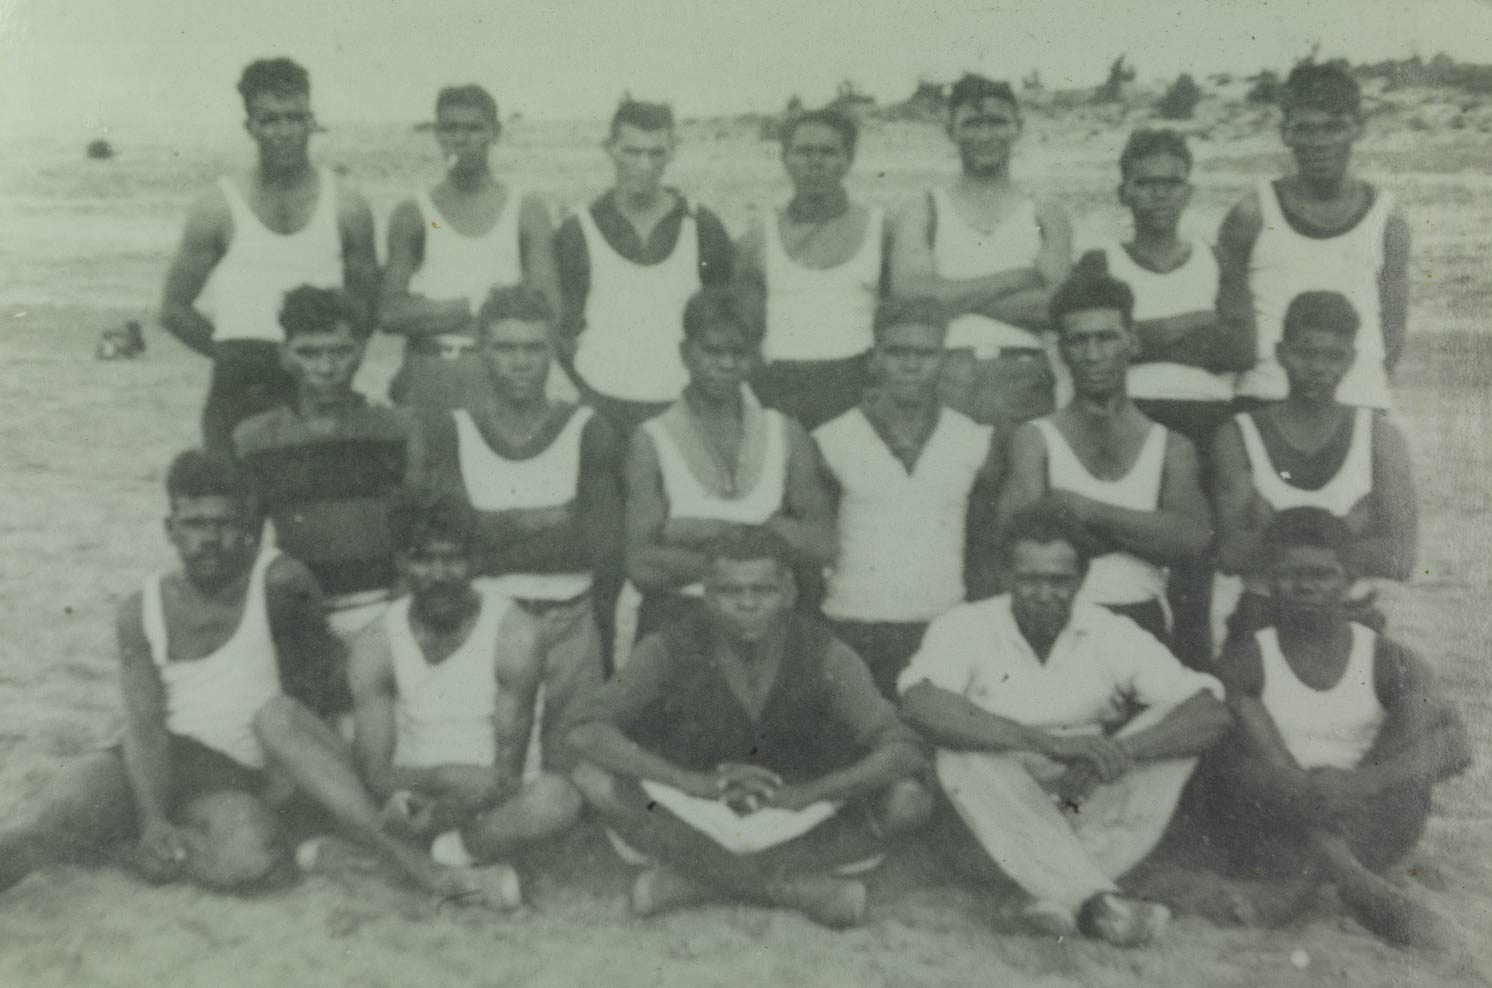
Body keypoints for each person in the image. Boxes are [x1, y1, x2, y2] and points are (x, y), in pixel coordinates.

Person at [0, 452, 496, 906]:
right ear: (170, 529)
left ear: (250, 530)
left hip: (237, 777)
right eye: (194, 524)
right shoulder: (140, 609)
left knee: (249, 863)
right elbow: (144, 724)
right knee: (42, 823)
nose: (210, 539)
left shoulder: (280, 583)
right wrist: (153, 816)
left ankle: (117, 845)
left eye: (224, 524)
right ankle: (130, 831)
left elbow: (316, 692)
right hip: (159, 758)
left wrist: (291, 783)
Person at [566, 527, 931, 929]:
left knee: (908, 799)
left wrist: (810, 793)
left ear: (789, 591)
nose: (747, 604)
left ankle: (697, 881)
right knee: (590, 776)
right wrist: (685, 780)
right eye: (730, 592)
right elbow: (586, 728)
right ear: (707, 595)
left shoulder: (826, 652)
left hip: (795, 807)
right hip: (699, 803)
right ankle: (795, 888)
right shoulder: (668, 646)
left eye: (763, 590)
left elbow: (903, 748)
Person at [899, 503, 1230, 946]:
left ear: (1081, 579)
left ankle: (1051, 895)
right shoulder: (965, 624)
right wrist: (1048, 745)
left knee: (1175, 730)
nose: (1043, 593)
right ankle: (1094, 901)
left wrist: (1123, 752)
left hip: (1081, 797)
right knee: (960, 754)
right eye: (1029, 579)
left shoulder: (1109, 630)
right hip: (1001, 804)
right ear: (1004, 576)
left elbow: (1210, 712)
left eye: (1058, 580)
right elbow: (921, 705)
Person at [1204, 508, 1469, 949]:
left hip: (1371, 813)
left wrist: (1362, 784)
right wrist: (1307, 791)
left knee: (1416, 744)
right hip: (1283, 812)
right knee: (1235, 760)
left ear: (1349, 581)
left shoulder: (1386, 658)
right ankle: (1348, 878)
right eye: (1290, 575)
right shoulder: (1247, 659)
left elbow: (1456, 745)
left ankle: (1302, 887)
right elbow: (1247, 762)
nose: (1306, 586)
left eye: (1321, 574)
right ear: (1269, 581)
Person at [348, 486, 584, 908]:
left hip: (491, 806)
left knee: (558, 798)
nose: (439, 574)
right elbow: (376, 773)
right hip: (412, 794)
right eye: (422, 558)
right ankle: (440, 863)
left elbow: (506, 779)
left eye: (453, 558)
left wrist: (444, 814)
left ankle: (440, 856)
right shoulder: (376, 641)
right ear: (400, 561)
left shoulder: (515, 634)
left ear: (475, 561)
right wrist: (436, 781)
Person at [408, 284, 621, 718]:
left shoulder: (587, 428)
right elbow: (457, 540)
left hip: (570, 625)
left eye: (534, 348)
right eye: (505, 348)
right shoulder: (454, 429)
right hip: (486, 626)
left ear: (554, 351)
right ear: (482, 350)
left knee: (573, 769)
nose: (520, 363)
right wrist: (543, 519)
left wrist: (490, 542)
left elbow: (598, 546)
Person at [159, 58, 378, 453]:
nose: (284, 132)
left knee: (314, 510)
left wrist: (332, 365)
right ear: (250, 127)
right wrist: (231, 355)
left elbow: (366, 307)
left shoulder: (347, 206)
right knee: (234, 510)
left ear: (311, 122)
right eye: (269, 120)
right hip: (240, 384)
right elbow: (174, 310)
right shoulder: (217, 207)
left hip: (318, 383)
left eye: (295, 118)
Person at [996, 257, 1211, 644]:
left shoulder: (1170, 445)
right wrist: (1146, 535)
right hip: (1058, 622)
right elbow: (1019, 539)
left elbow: (1190, 540)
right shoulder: (1036, 438)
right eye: (1079, 340)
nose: (1093, 355)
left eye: (1107, 338)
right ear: (1061, 350)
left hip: (1141, 619)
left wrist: (1083, 510)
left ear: (1132, 341)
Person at [1099, 129, 1254, 665]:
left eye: (1171, 183)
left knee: (1194, 568)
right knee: (1127, 563)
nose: (1159, 194)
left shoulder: (1215, 261)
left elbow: (1239, 346)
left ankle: (1193, 680)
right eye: (1146, 183)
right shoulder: (1103, 262)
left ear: (1188, 192)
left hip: (1206, 422)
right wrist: (1192, 324)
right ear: (1124, 192)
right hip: (1133, 420)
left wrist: (1140, 335)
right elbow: (1100, 346)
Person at [813, 296, 1003, 699]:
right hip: (850, 626)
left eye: (925, 353)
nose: (911, 365)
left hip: (944, 629)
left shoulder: (974, 441)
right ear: (874, 358)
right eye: (897, 352)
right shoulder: (831, 440)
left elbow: (984, 555)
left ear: (944, 360)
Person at [625, 287, 836, 642]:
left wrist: (703, 532)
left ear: (754, 357)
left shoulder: (784, 431)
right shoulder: (652, 439)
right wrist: (765, 540)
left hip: (770, 626)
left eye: (738, 353)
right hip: (682, 620)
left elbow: (822, 545)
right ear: (685, 352)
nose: (725, 365)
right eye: (711, 350)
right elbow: (642, 565)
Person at [1212, 290, 1417, 645]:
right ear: (1281, 353)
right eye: (1306, 352)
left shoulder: (1380, 438)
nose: (1319, 368)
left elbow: (1400, 559)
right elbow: (1230, 555)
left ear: (1351, 360)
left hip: (1353, 621)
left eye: (1333, 356)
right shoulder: (1238, 434)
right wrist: (1347, 533)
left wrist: (1277, 533)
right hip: (1262, 623)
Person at [1216, 62, 1411, 412]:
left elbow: (1393, 332)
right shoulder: (1252, 214)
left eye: (1334, 128)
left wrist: (1366, 382)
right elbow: (1228, 318)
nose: (1319, 143)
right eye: (1304, 129)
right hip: (1266, 398)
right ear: (1285, 134)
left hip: (1357, 399)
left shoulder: (1387, 218)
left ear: (1358, 129)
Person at [888, 73, 1072, 436]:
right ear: (950, 129)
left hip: (1024, 373)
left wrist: (945, 296)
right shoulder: (924, 209)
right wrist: (1015, 279)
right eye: (972, 123)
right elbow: (909, 298)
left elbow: (1054, 308)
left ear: (1018, 127)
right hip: (942, 374)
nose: (985, 136)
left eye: (997, 122)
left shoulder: (1044, 212)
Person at [233, 285, 411, 644]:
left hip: (385, 605)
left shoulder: (395, 429)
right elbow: (244, 542)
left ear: (360, 352)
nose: (326, 368)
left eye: (340, 352)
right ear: (284, 355)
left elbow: (417, 532)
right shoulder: (255, 438)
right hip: (300, 612)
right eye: (309, 353)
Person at [554, 100, 735, 434]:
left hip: (683, 409)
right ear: (609, 149)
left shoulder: (701, 226)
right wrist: (592, 387)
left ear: (673, 152)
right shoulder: (578, 231)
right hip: (603, 408)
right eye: (632, 151)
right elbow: (563, 330)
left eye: (656, 153)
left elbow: (726, 322)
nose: (644, 164)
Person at [380, 85, 561, 412]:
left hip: (499, 377)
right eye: (451, 128)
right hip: (429, 370)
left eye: (473, 128)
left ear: (495, 132)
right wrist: (480, 302)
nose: (461, 139)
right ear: (437, 134)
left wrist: (429, 312)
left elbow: (547, 310)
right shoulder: (417, 214)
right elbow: (390, 314)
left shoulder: (525, 211)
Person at [734, 106, 886, 430]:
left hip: (859, 389)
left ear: (848, 159)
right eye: (803, 152)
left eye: (828, 152)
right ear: (785, 158)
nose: (815, 162)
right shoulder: (756, 242)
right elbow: (746, 336)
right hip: (783, 393)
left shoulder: (881, 231)